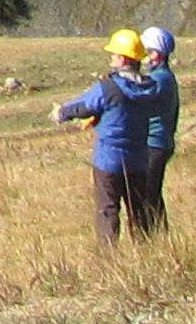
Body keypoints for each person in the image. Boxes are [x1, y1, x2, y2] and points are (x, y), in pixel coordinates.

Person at [53, 28, 163, 248]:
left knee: (108, 210)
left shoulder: (109, 88)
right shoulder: (150, 89)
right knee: (139, 210)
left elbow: (84, 107)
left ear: (122, 59)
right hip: (139, 160)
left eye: (114, 55)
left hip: (109, 161)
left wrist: (61, 113)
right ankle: (148, 254)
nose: (111, 58)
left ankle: (109, 260)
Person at [133, 25, 179, 232]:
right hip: (160, 144)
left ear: (156, 54)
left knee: (147, 195)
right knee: (152, 194)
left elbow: (136, 97)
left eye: (146, 52)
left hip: (154, 144)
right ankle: (159, 237)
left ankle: (152, 237)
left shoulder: (159, 79)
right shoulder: (163, 76)